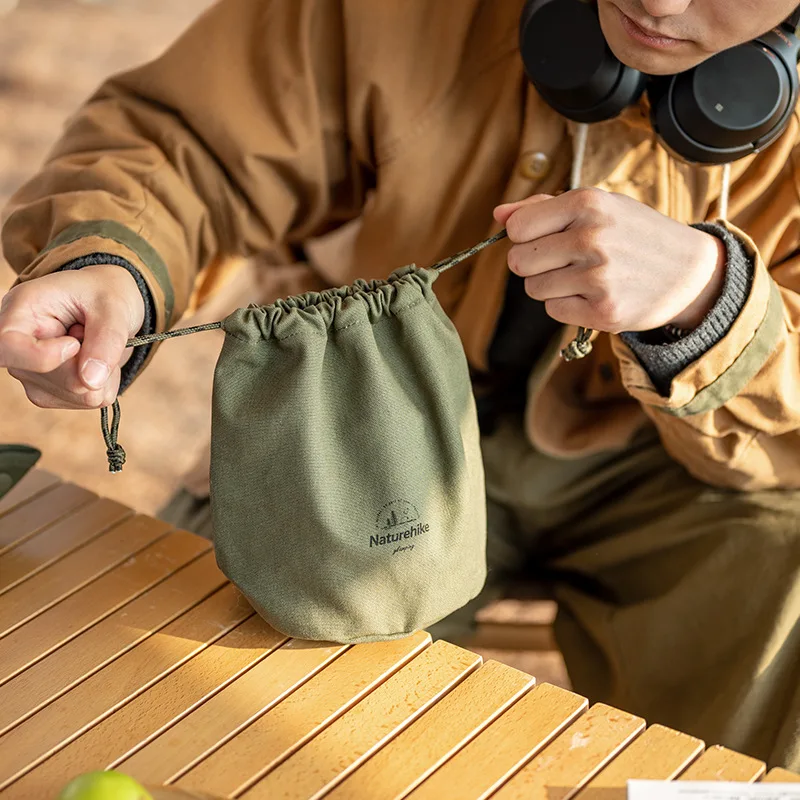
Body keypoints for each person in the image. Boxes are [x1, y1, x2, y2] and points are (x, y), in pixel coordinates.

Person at [2, 0, 800, 770]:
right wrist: (113, 262)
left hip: (696, 468)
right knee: (205, 689)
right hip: (356, 411)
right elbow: (191, 145)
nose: (658, 1)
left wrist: (713, 306)